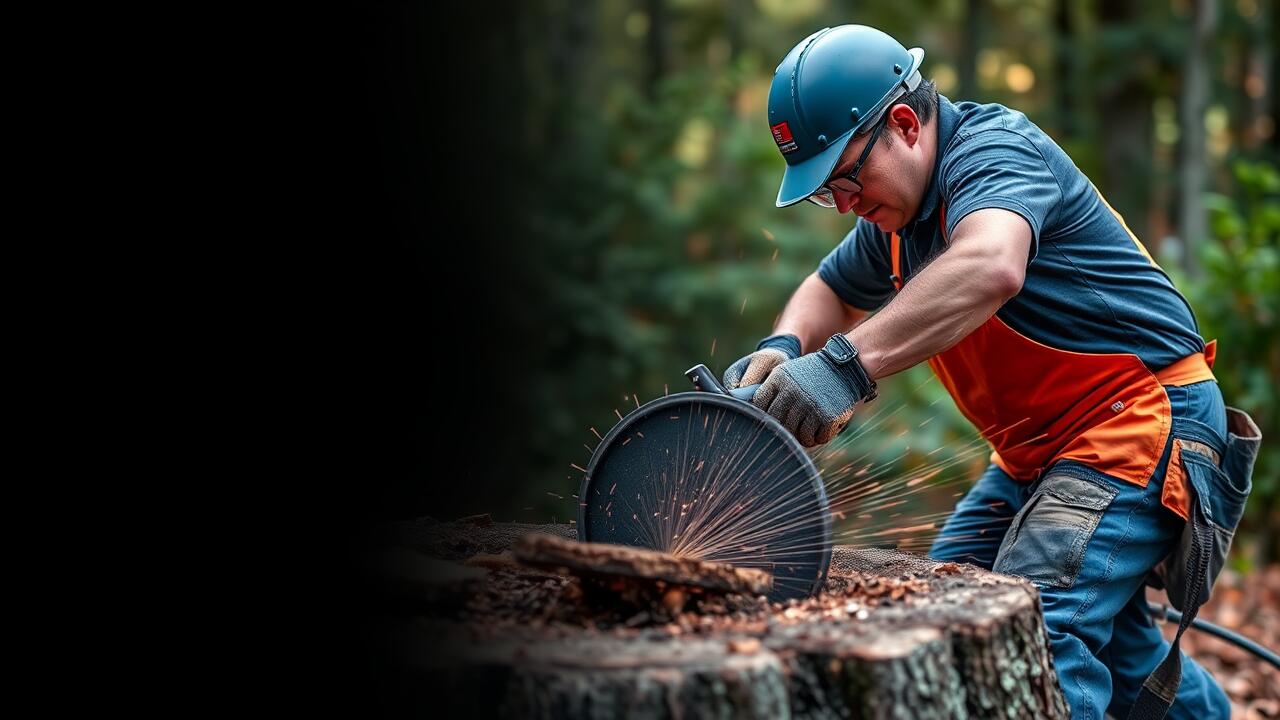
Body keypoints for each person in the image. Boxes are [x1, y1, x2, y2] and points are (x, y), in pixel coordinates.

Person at [725, 24, 1251, 719]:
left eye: (846, 178)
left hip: (1142, 420)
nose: (845, 204)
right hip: (1048, 451)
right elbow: (830, 291)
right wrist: (786, 348)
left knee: (1030, 624)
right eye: (827, 195)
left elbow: (991, 264)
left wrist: (842, 369)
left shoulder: (994, 153)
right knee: (950, 605)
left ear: (906, 124)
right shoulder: (895, 219)